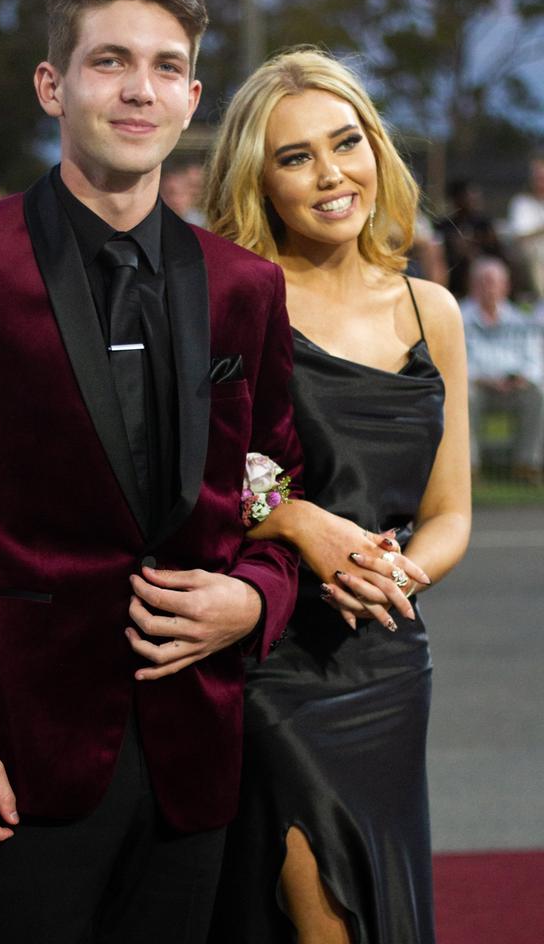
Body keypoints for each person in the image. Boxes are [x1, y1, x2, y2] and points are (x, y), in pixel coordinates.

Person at [0, 0, 304, 944]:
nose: (138, 88)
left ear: (192, 97)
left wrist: (259, 597)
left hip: (196, 749)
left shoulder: (244, 287)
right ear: (53, 85)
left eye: (164, 67)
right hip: (15, 752)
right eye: (110, 62)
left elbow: (280, 487)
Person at [205, 48, 472, 944]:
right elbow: (202, 475)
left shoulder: (430, 307)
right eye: (295, 157)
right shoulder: (236, 297)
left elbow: (450, 513)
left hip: (388, 659)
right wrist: (296, 521)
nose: (330, 175)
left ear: (377, 148)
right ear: (262, 179)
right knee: (321, 908)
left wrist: (393, 573)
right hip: (273, 655)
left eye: (345, 142)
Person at [461, 256, 544, 485]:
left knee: (537, 393)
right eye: (484, 282)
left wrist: (521, 377)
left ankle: (527, 464)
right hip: (479, 387)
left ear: (505, 286)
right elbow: (455, 361)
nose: (489, 287)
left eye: (494, 282)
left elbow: (534, 360)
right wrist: (483, 379)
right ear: (473, 286)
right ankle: (470, 466)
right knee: (463, 394)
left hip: (514, 387)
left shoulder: (520, 320)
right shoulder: (459, 318)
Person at [437, 178, 506, 299]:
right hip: (454, 268)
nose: (473, 198)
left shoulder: (484, 223)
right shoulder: (445, 225)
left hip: (484, 264)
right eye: (468, 195)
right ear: (456, 198)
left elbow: (496, 246)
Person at [507, 152, 544, 299]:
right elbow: (519, 236)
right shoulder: (521, 203)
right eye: (538, 178)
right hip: (531, 259)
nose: (541, 181)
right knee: (533, 254)